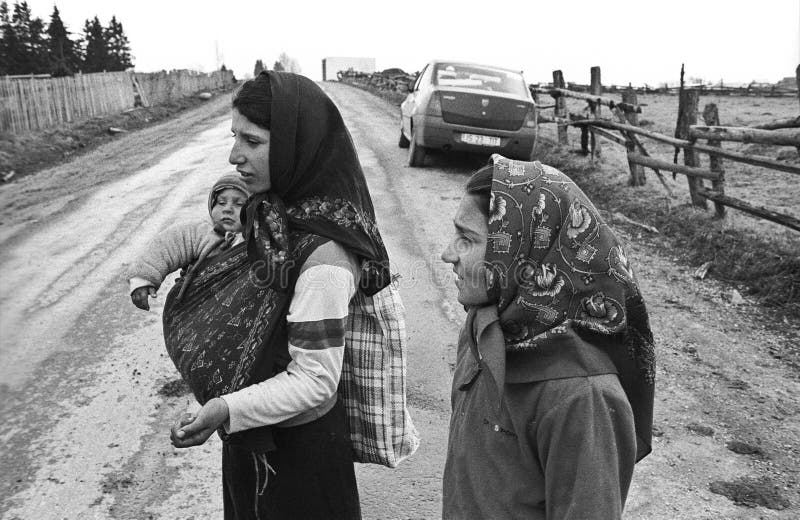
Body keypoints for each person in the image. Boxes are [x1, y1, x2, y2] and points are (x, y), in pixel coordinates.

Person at [163, 71, 396, 520]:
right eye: (235, 138)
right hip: (252, 443)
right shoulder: (272, 218)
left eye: (253, 141)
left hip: (299, 467)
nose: (235, 156)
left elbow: (314, 380)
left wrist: (224, 408)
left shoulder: (323, 258)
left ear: (294, 144)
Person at [440, 155, 655, 520]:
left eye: (466, 239)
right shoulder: (484, 327)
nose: (447, 254)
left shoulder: (582, 398)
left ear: (519, 252)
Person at [128, 175, 250, 310]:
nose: (227, 209)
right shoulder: (198, 232)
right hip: (195, 305)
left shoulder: (259, 238)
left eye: (239, 204)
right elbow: (165, 247)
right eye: (221, 202)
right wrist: (143, 280)